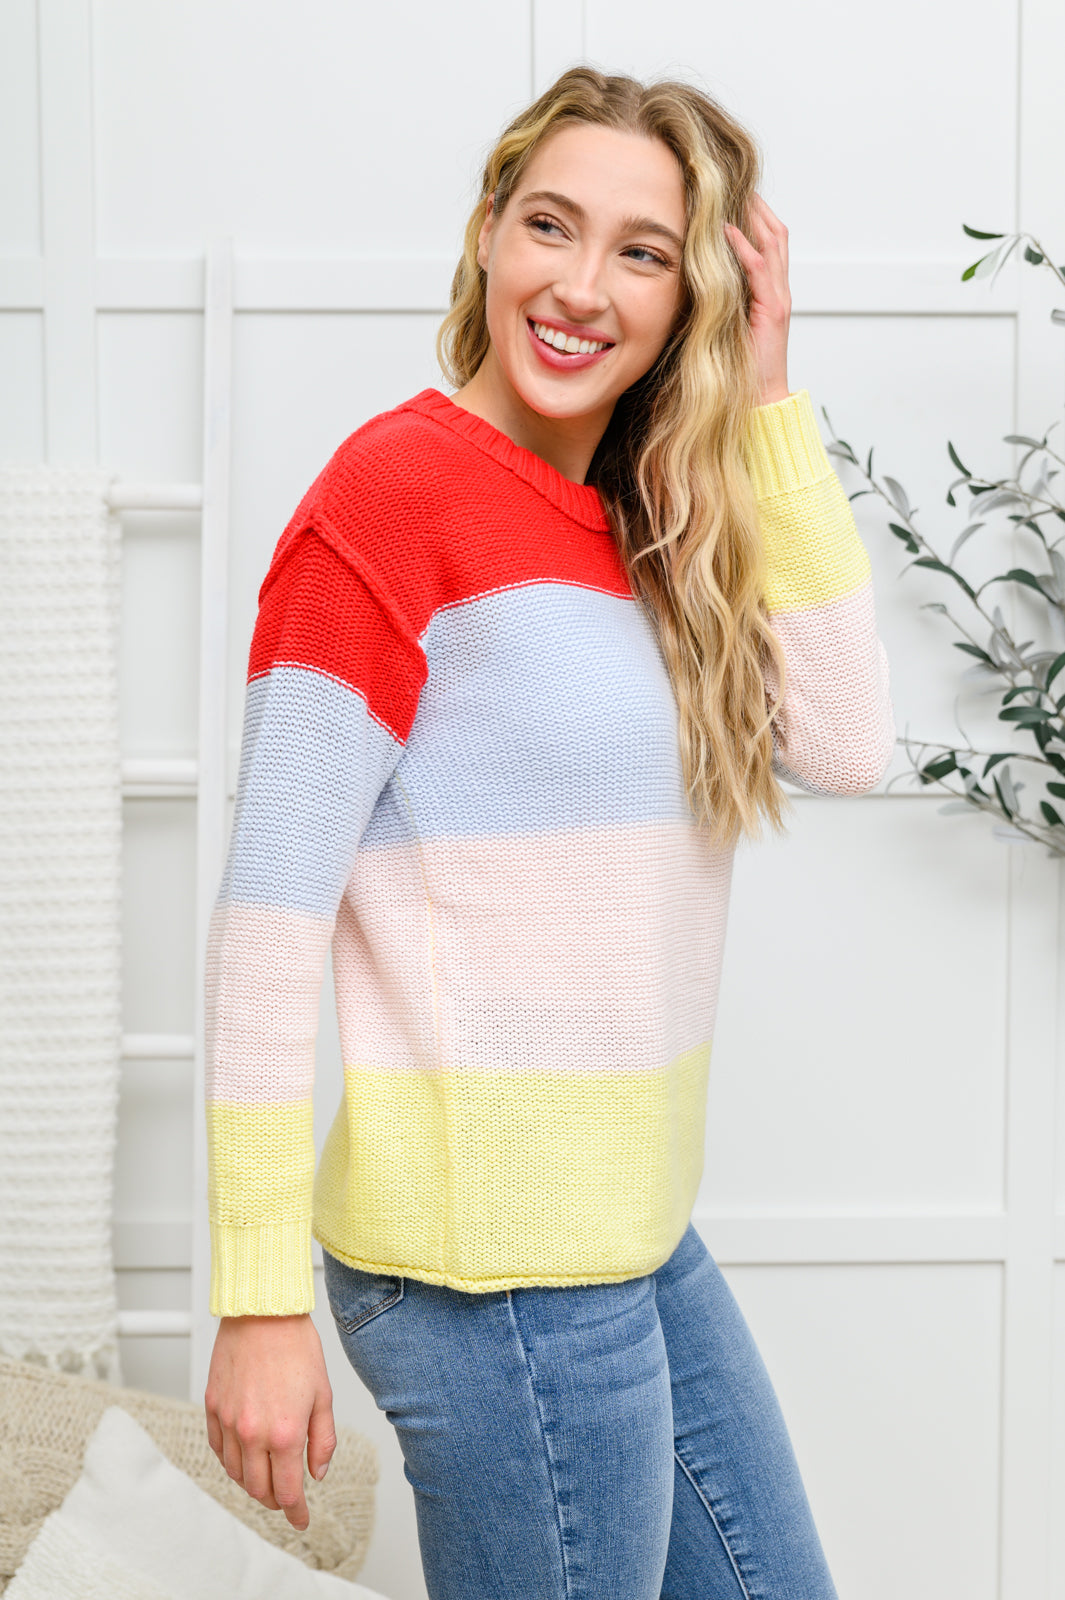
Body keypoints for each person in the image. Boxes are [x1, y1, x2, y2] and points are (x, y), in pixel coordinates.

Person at [203, 65, 894, 1600]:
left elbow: (845, 744)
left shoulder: (648, 524)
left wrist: (766, 395)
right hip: (490, 1274)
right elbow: (268, 920)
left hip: (630, 1233)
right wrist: (255, 1297)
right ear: (485, 235)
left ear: (693, 292)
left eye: (641, 252)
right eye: (549, 226)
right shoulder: (390, 497)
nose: (580, 287)